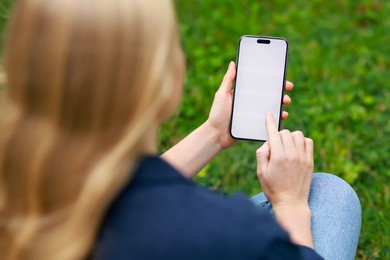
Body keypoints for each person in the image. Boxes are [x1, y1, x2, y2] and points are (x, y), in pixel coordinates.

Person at [0, 0, 361, 259]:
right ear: (166, 85)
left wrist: (214, 133)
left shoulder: (23, 186)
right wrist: (290, 205)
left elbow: (114, 190)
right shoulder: (230, 235)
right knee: (332, 196)